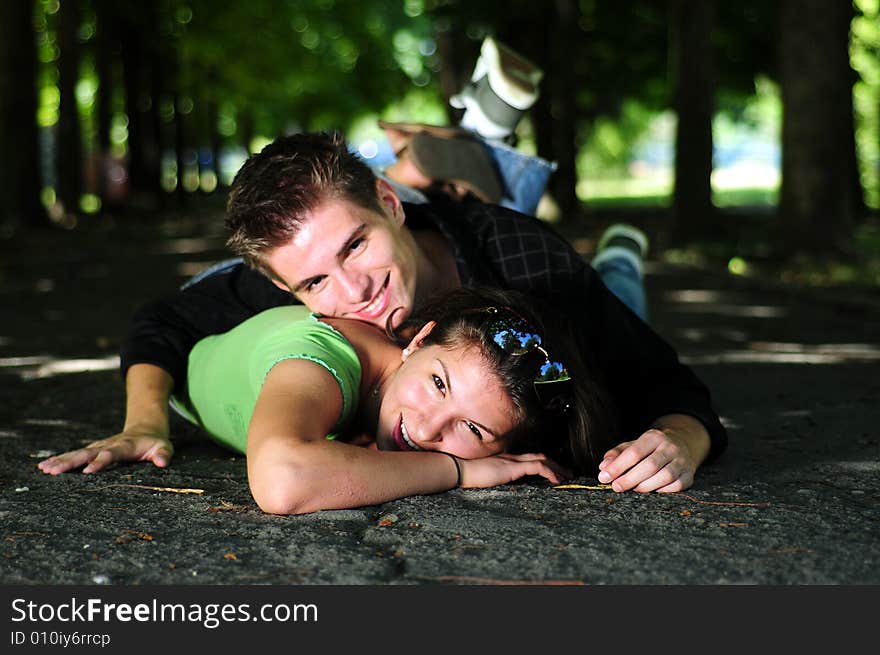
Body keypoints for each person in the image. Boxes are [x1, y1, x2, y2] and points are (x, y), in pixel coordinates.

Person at [47, 131, 726, 496]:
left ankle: (605, 251)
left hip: (531, 296)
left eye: (357, 243)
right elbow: (161, 322)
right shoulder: (299, 296)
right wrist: (143, 422)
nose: (357, 291)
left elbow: (670, 385)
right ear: (286, 286)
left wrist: (679, 442)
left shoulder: (530, 265)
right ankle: (462, 150)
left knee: (609, 329)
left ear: (390, 204)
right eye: (315, 279)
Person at [39, 287, 616, 515]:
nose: (426, 424)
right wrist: (460, 469)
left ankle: (618, 275)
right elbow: (284, 478)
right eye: (438, 383)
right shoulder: (321, 360)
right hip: (191, 331)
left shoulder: (384, 398)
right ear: (416, 339)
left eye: (475, 428)